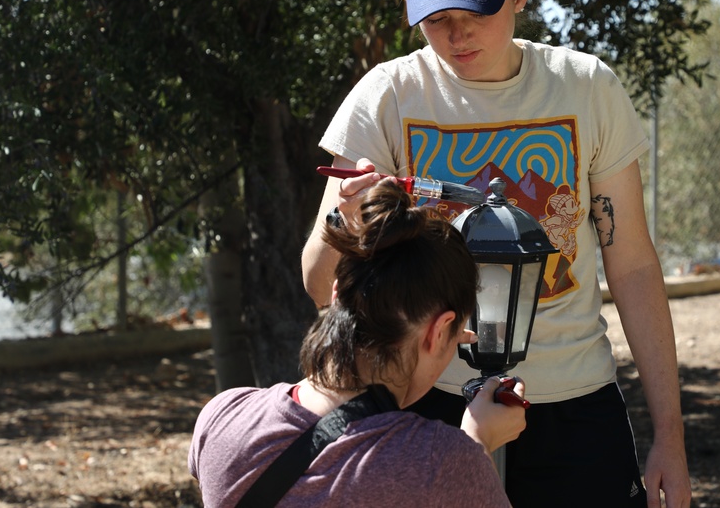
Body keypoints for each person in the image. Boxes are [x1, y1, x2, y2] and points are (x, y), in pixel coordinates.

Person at [301, 0, 691, 507]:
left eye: (475, 10)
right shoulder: (386, 96)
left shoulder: (587, 87)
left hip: (573, 401)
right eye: (436, 17)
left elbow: (633, 264)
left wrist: (670, 434)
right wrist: (343, 225)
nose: (456, 35)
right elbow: (318, 282)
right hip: (426, 404)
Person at [191, 180, 527, 508]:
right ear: (438, 331)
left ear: (336, 296)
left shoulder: (222, 416)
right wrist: (478, 445)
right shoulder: (443, 466)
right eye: (452, 337)